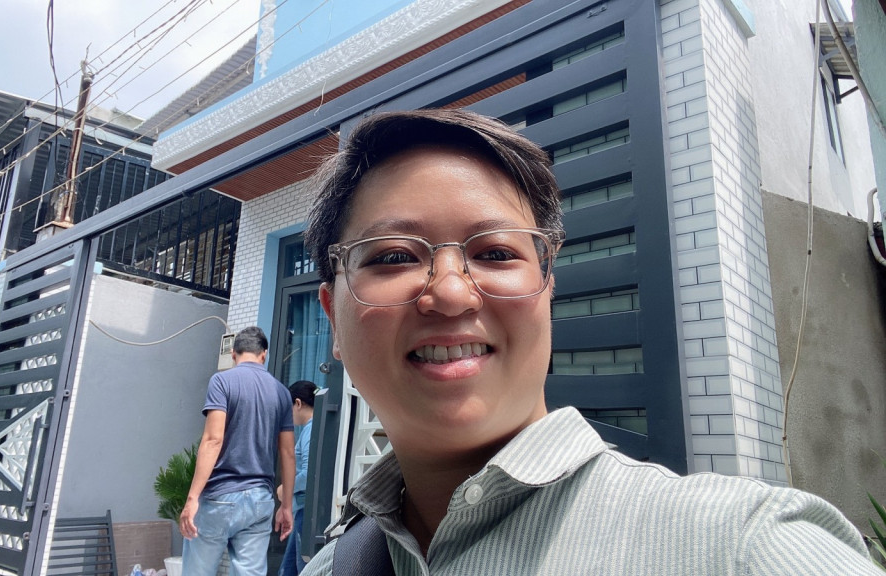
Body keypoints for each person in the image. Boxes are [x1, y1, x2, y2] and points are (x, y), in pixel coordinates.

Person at [297, 109, 880, 574]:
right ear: (332, 318)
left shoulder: (744, 546)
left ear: (546, 290)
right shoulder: (329, 566)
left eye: (496, 252)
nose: (451, 293)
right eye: (393, 257)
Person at [180, 326, 295, 576]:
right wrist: (286, 506)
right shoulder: (282, 393)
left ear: (234, 354)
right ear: (263, 355)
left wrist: (192, 498)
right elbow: (288, 453)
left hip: (220, 497)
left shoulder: (222, 381)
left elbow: (213, 440)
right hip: (260, 501)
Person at [278, 380, 318, 576]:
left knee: (300, 569)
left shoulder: (311, 430)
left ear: (298, 403)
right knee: (290, 569)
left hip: (305, 511)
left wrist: (286, 488)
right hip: (303, 510)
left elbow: (310, 473)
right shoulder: (315, 428)